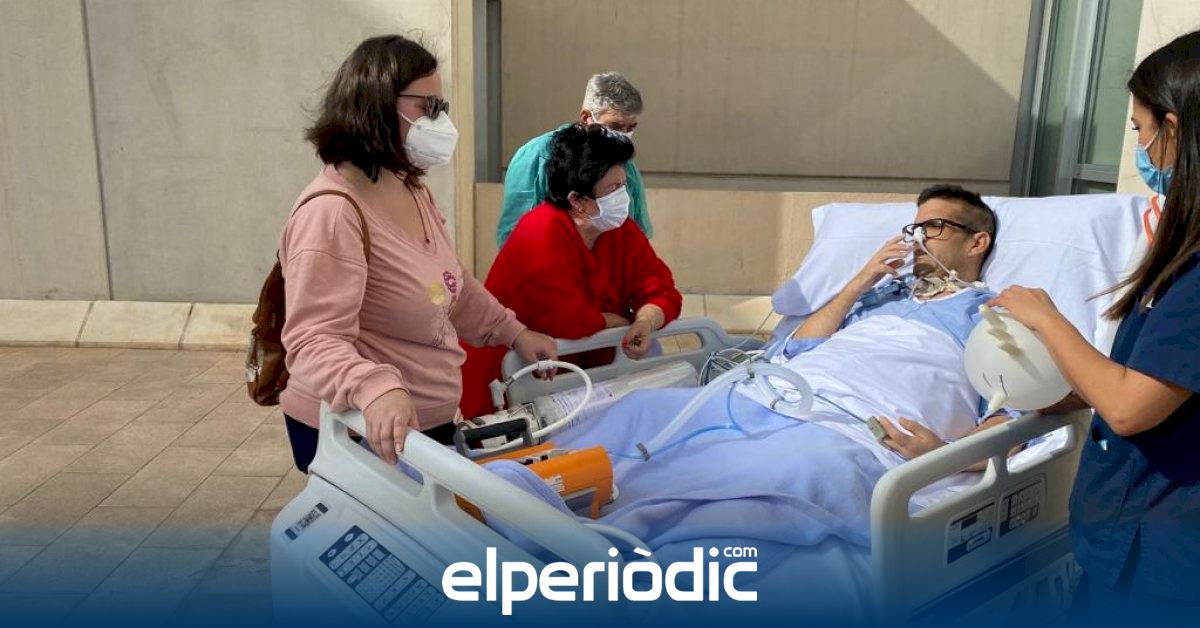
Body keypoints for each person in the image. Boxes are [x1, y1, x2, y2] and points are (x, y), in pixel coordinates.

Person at [990, 31, 1200, 619]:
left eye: (1139, 130)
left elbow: (1131, 407)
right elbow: (1158, 375)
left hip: (1162, 560)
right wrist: (1072, 392)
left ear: (1174, 129)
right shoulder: (1182, 252)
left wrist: (1046, 317)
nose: (1141, 149)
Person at [278, 35, 556, 471]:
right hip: (363, 429)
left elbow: (451, 285)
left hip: (425, 424)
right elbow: (312, 339)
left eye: (441, 107)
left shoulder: (409, 188)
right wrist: (374, 387)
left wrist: (513, 332)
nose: (441, 121)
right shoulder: (332, 212)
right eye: (428, 107)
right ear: (375, 105)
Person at [459, 124, 682, 420]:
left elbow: (662, 288)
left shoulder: (619, 230)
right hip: (510, 384)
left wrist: (646, 320)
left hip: (580, 384)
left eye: (623, 186)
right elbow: (568, 320)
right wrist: (616, 321)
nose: (623, 197)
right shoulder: (539, 233)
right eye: (612, 190)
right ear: (577, 200)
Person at [496, 72, 652, 247]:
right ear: (586, 117)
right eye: (615, 126)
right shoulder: (536, 157)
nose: (623, 135)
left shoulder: (626, 166)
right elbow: (515, 238)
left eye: (630, 128)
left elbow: (639, 232)